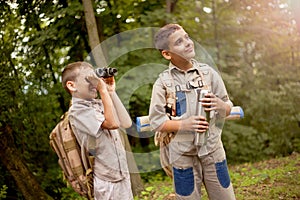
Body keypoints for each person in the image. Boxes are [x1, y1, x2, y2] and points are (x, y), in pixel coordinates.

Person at [149, 24, 236, 199]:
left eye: (187, 37)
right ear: (167, 53)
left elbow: (228, 106)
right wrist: (183, 124)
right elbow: (156, 122)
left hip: (213, 150)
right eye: (179, 42)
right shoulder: (163, 83)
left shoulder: (208, 73)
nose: (188, 43)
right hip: (181, 156)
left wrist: (221, 105)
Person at [61, 61, 133, 200]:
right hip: (106, 182)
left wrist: (110, 92)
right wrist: (103, 91)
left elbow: (126, 122)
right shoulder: (77, 111)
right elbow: (112, 124)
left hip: (122, 174)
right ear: (72, 85)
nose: (95, 82)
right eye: (88, 79)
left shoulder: (98, 104)